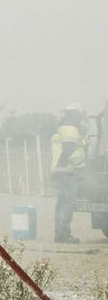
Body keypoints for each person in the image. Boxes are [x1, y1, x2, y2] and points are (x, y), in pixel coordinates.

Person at [50, 103, 87, 244]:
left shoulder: (63, 129)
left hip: (62, 171)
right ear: (75, 116)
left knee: (62, 203)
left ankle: (60, 233)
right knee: (68, 203)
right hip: (68, 172)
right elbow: (70, 150)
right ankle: (63, 234)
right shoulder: (70, 130)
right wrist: (82, 165)